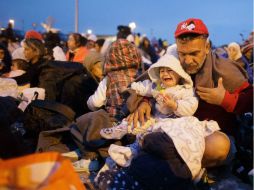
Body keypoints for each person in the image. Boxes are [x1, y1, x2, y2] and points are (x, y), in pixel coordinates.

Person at [117, 18, 252, 189]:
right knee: (136, 126)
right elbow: (152, 85)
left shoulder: (224, 70)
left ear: (207, 47)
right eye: (183, 54)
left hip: (209, 136)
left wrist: (224, 99)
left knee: (219, 146)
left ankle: (162, 168)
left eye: (194, 53)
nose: (187, 60)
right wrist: (144, 101)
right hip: (174, 131)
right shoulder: (171, 64)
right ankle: (175, 171)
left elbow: (250, 100)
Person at [100, 54, 198, 140]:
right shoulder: (158, 87)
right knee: (138, 121)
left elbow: (191, 105)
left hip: (176, 121)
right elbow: (145, 86)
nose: (165, 74)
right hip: (156, 118)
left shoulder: (184, 90)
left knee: (150, 135)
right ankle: (120, 129)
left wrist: (175, 105)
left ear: (179, 74)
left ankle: (134, 148)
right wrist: (131, 87)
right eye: (162, 71)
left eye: (169, 70)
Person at [87, 39, 141, 121]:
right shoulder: (139, 75)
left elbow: (96, 102)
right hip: (136, 119)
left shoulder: (109, 78)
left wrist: (89, 102)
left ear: (110, 57)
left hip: (115, 121)